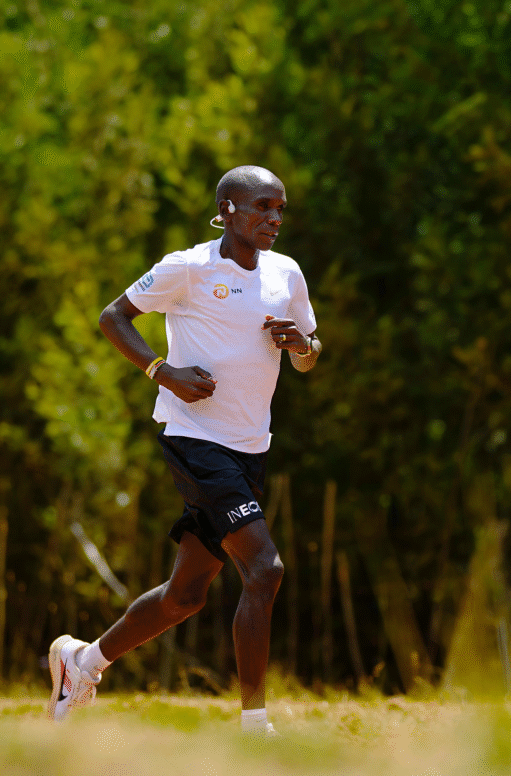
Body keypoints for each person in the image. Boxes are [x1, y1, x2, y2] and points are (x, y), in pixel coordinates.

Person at [46, 165, 320, 735]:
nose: (273, 219)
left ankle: (82, 662)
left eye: (280, 210)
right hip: (196, 441)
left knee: (186, 595)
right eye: (261, 207)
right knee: (264, 571)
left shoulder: (286, 274)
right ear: (227, 209)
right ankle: (255, 729)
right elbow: (112, 316)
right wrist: (161, 371)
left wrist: (302, 346)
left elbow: (309, 353)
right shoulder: (188, 268)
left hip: (251, 447)